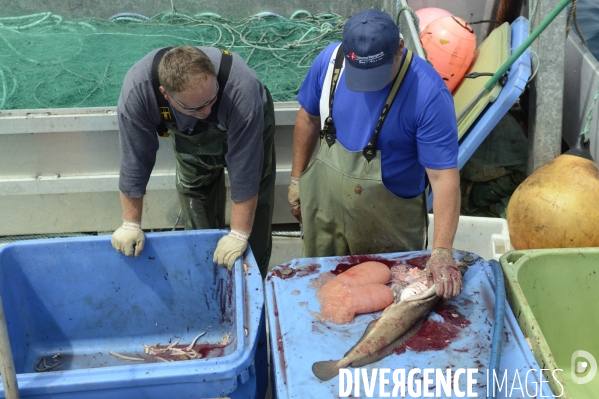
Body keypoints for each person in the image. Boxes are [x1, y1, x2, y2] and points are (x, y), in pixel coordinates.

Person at [287, 9, 462, 299]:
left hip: (387, 225)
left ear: (400, 49)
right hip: (325, 211)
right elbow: (307, 118)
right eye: (360, 75)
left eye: (377, 74)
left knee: (391, 300)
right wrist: (296, 179)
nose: (369, 84)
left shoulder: (428, 94)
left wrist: (442, 250)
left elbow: (444, 178)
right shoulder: (330, 63)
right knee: (321, 293)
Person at [111, 45, 275, 277]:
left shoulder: (241, 89)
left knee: (252, 216)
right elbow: (135, 159)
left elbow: (246, 170)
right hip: (187, 132)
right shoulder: (137, 93)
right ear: (165, 94)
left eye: (211, 99)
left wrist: (239, 234)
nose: (207, 111)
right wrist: (130, 223)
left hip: (242, 118)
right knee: (195, 196)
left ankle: (252, 279)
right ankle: (206, 276)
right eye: (196, 106)